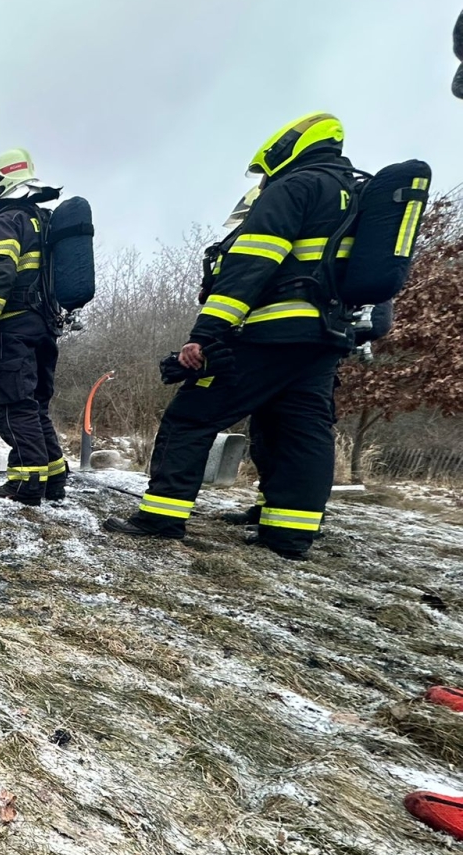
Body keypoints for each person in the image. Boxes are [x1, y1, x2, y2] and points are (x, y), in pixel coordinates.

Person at [105, 113, 359, 560]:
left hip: (269, 332)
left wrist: (205, 335)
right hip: (322, 340)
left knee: (191, 416)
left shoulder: (294, 187)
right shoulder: (353, 195)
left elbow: (250, 266)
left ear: (285, 150)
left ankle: (161, 517)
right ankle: (289, 533)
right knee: (298, 429)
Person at [0, 150, 68, 506]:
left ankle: (25, 484)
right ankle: (53, 478)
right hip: (44, 328)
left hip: (16, 329)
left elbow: (0, 278)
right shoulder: (42, 222)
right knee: (35, 407)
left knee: (13, 408)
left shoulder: (7, 221)